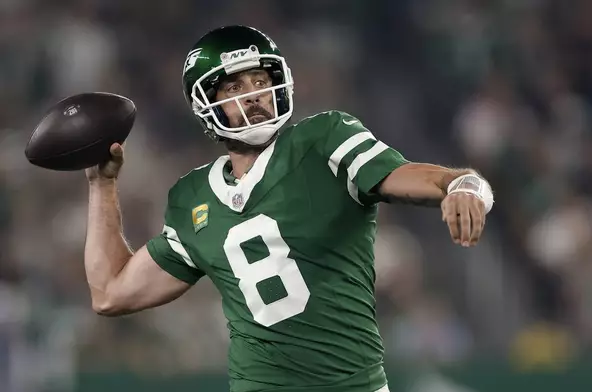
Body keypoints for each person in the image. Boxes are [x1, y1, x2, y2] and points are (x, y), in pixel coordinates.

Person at [83, 25, 494, 392]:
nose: (254, 96)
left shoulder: (324, 140)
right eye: (234, 88)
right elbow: (110, 294)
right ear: (205, 102)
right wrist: (103, 184)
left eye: (260, 81)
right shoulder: (192, 197)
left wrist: (464, 185)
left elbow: (423, 178)